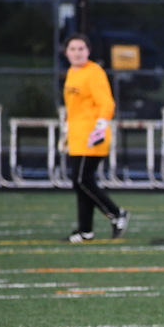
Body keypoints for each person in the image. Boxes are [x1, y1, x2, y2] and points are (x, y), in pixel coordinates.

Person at [61, 33, 129, 243]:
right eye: (73, 49)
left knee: (81, 180)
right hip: (76, 136)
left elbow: (106, 102)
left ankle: (117, 214)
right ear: (66, 52)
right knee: (82, 183)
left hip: (92, 136)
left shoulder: (94, 71)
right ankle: (85, 231)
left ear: (88, 51)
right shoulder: (72, 72)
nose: (77, 53)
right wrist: (66, 131)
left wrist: (100, 126)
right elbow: (75, 109)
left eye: (81, 49)